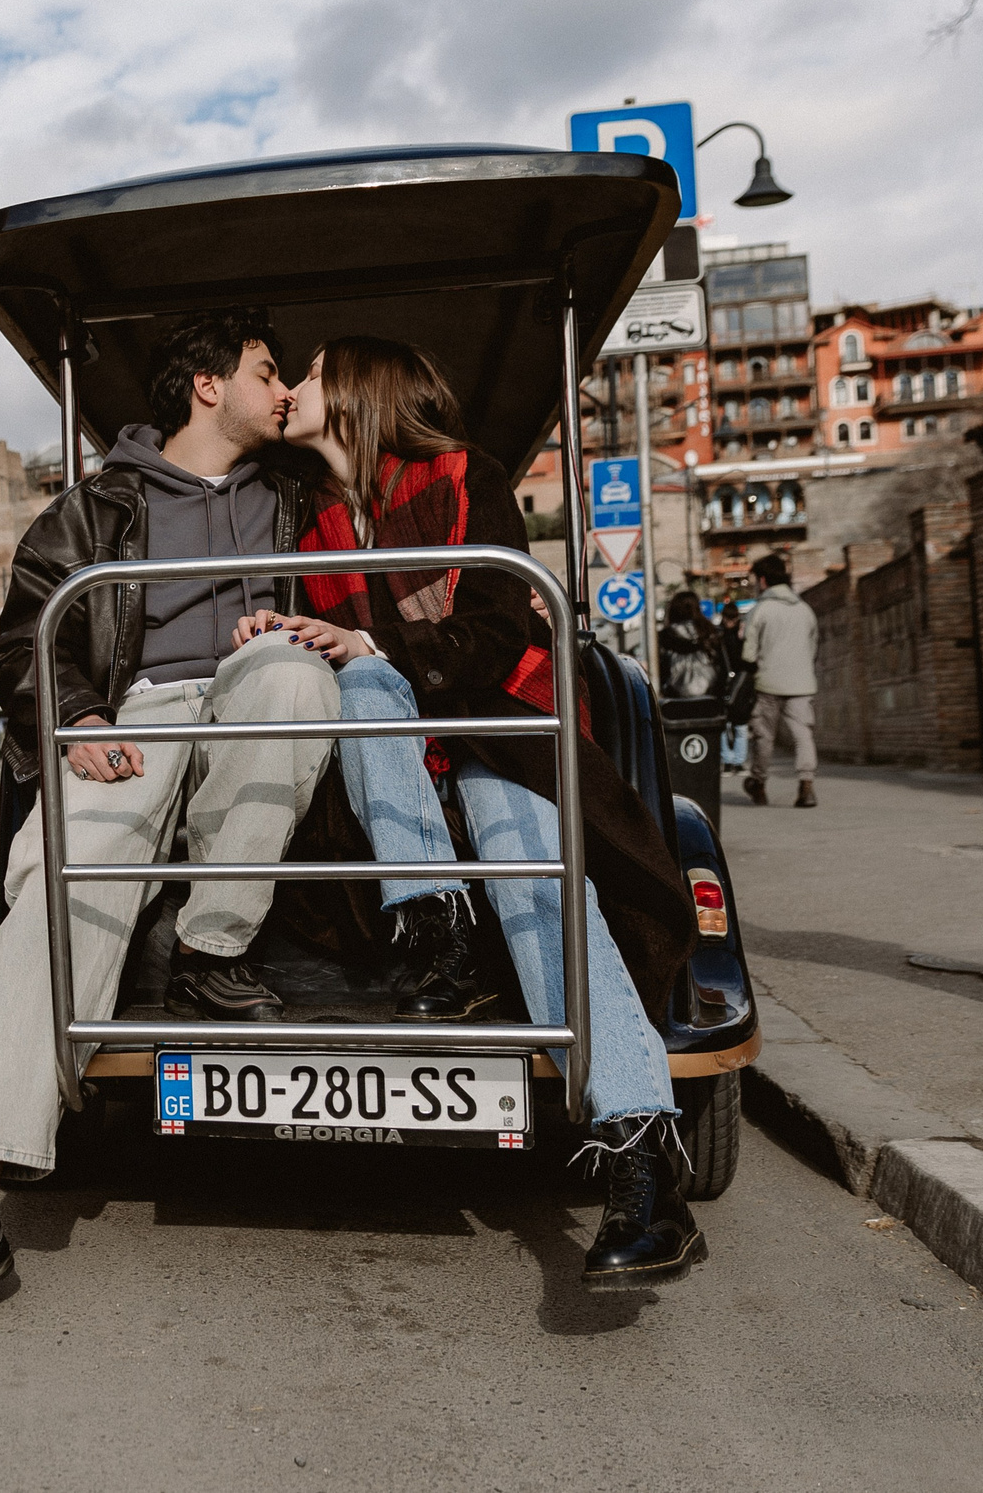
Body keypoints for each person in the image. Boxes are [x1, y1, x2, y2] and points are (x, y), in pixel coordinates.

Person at [0, 307, 342, 1342]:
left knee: (289, 672)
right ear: (207, 385)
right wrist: (77, 714)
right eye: (266, 372)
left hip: (257, 696)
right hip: (137, 712)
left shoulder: (298, 498)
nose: (282, 393)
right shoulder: (93, 511)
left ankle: (210, 950)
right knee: (60, 881)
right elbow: (22, 646)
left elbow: (374, 546)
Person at [241, 334, 706, 1290]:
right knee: (360, 684)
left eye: (315, 371)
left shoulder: (463, 477)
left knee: (528, 861)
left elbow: (497, 628)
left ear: (362, 388)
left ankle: (641, 1157)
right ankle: (438, 930)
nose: (296, 385)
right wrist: (286, 635)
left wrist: (367, 640)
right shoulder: (309, 517)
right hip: (388, 762)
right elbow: (336, 658)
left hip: (497, 726)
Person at [741, 553, 819, 808]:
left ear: (763, 580)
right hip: (802, 683)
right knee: (803, 734)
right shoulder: (805, 610)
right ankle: (806, 786)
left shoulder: (760, 610)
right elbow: (813, 648)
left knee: (764, 736)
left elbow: (748, 654)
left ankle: (759, 783)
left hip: (768, 683)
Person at [657, 590, 724, 701]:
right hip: (711, 698)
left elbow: (661, 669)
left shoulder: (665, 636)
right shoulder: (711, 632)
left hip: (675, 699)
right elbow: (722, 665)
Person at [715, 601, 749, 772]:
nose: (730, 622)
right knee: (726, 724)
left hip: (739, 683)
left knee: (739, 724)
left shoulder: (743, 634)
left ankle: (737, 761)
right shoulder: (718, 635)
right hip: (725, 683)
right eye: (728, 618)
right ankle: (729, 760)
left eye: (733, 618)